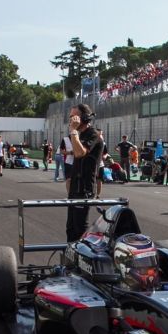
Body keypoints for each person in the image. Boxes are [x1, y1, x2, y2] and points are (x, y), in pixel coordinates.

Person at [65, 103, 105, 242]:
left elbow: (79, 153)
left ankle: (80, 259)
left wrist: (74, 132)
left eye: (74, 116)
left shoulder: (94, 135)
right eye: (70, 117)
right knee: (70, 227)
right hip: (75, 186)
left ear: (85, 117)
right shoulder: (79, 134)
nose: (71, 120)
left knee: (79, 228)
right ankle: (69, 259)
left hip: (85, 187)